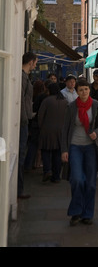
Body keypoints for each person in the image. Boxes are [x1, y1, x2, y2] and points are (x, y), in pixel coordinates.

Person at [61, 78, 98, 226]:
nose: (84, 92)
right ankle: (76, 211)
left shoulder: (96, 105)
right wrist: (64, 149)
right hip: (75, 146)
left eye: (86, 89)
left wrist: (96, 133)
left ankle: (87, 213)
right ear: (77, 92)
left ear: (89, 90)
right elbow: (65, 129)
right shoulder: (72, 107)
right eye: (81, 90)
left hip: (91, 147)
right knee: (77, 179)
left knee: (91, 183)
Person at [38, 83, 68, 183]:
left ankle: (47, 170)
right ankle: (56, 176)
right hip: (61, 131)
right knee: (57, 153)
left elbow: (40, 116)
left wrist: (40, 126)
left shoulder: (46, 101)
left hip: (47, 130)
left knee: (46, 151)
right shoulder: (65, 101)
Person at [18, 52, 37, 199]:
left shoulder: (24, 77)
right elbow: (20, 101)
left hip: (24, 120)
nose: (35, 65)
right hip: (22, 122)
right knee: (20, 155)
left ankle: (19, 189)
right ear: (31, 62)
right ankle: (18, 190)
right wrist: (26, 119)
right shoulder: (23, 77)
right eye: (35, 62)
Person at [24, 79, 46, 171]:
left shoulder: (32, 96)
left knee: (32, 145)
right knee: (37, 145)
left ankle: (29, 164)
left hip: (32, 122)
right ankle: (35, 163)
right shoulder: (43, 97)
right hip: (40, 123)